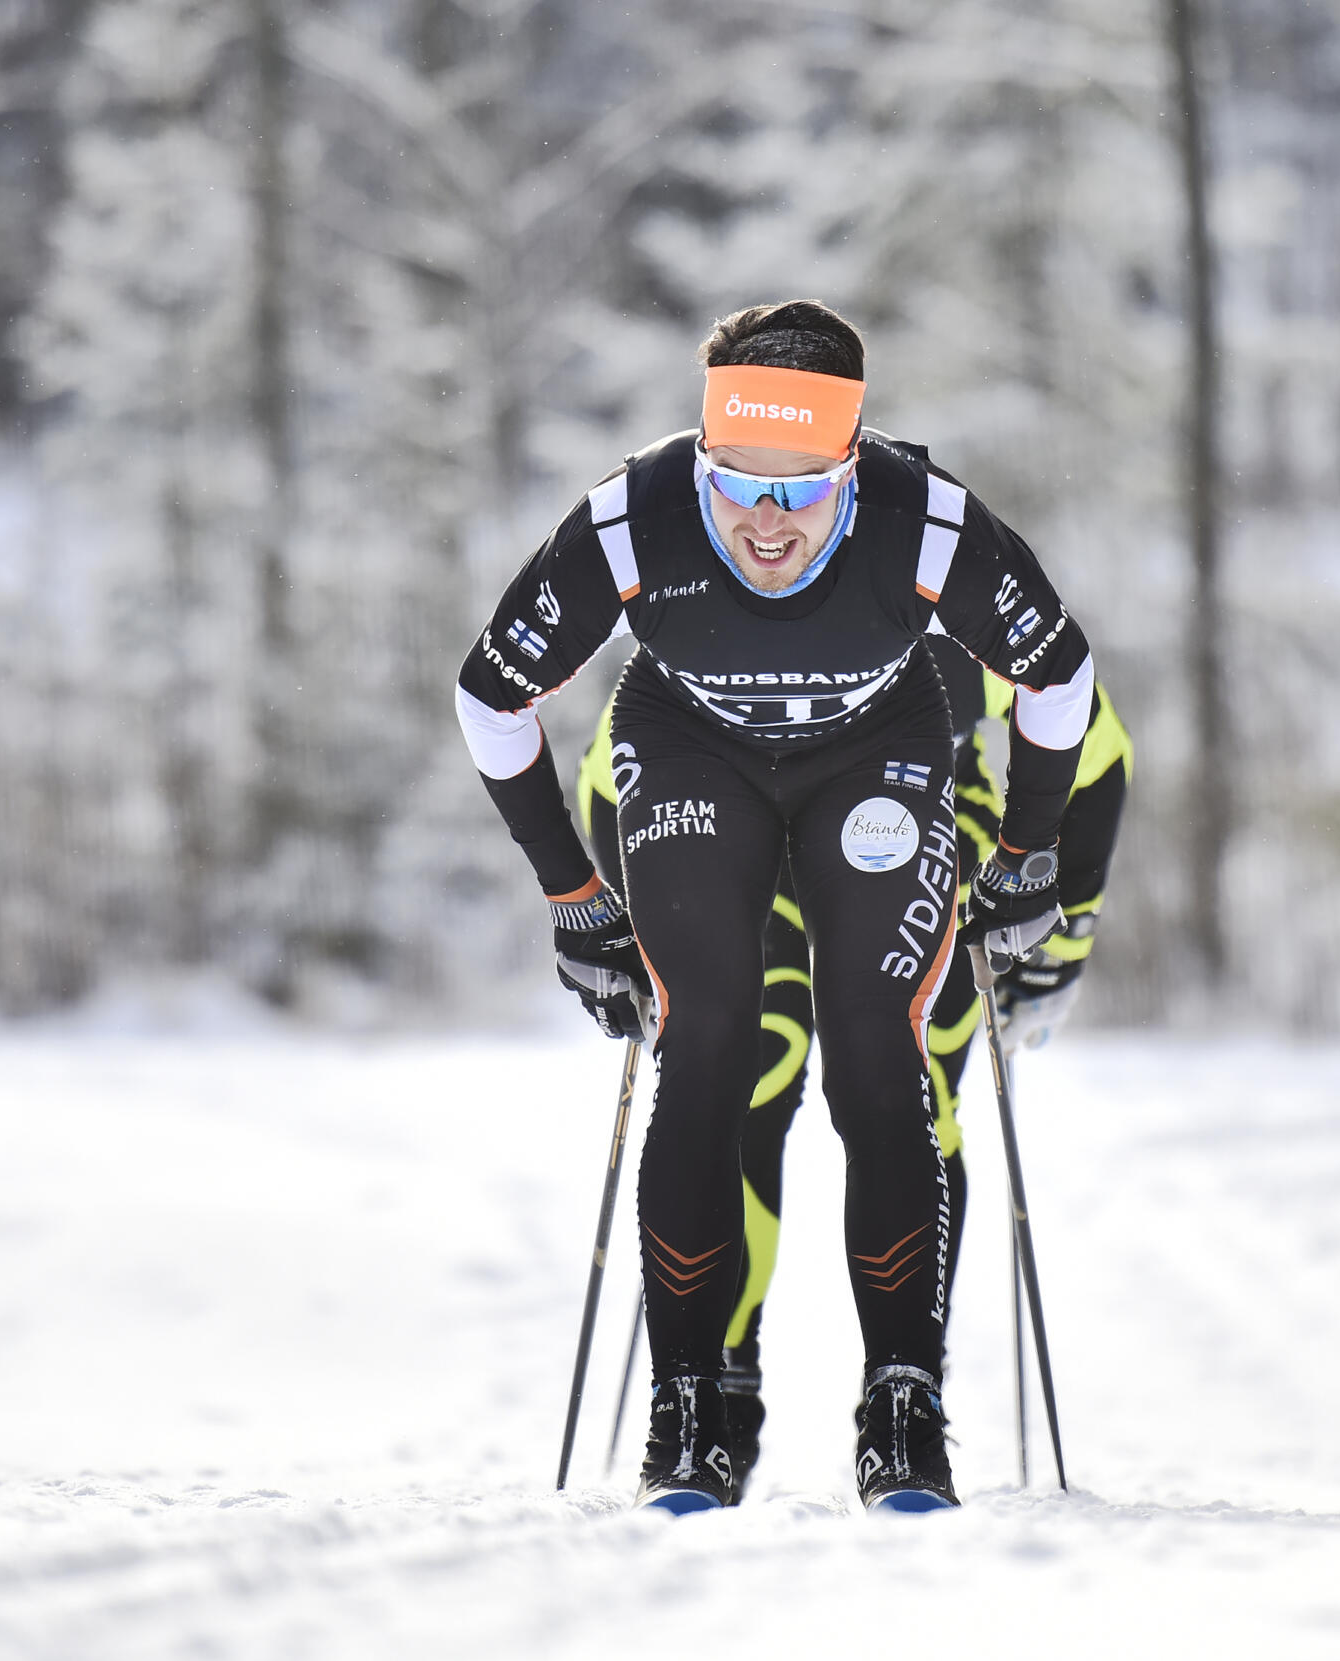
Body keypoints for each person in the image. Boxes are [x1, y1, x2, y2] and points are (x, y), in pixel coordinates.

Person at [455, 300, 1096, 1512]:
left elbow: (1058, 676)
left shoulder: (927, 518)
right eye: (735, 480)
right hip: (691, 747)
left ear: (852, 463)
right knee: (707, 1039)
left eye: (801, 490)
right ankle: (687, 1411)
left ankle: (903, 1406)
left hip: (878, 747)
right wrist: (571, 893)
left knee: (874, 1052)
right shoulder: (630, 516)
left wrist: (1026, 854)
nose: (764, 519)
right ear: (703, 449)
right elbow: (489, 698)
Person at [571, 634, 1133, 1490]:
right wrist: (652, 938)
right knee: (750, 1072)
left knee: (911, 1077)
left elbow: (1097, 747)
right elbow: (608, 778)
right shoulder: (718, 602)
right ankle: (715, 1390)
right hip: (753, 846)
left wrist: (1064, 929)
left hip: (911, 835)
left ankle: (905, 1399)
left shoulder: (935, 601)